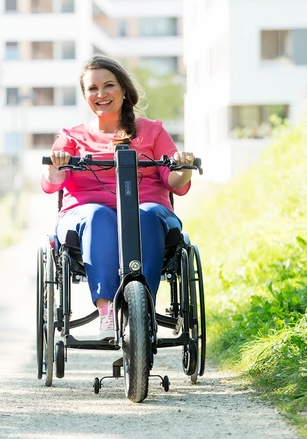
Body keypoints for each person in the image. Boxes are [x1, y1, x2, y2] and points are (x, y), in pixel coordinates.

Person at [42, 55, 196, 340]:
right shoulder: (71, 137)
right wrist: (56, 164)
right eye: (92, 88)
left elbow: (173, 182)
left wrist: (184, 168)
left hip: (148, 212)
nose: (100, 94)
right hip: (86, 219)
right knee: (98, 215)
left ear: (124, 90)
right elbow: (53, 184)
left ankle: (144, 311)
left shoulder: (152, 132)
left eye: (108, 85)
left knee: (145, 214)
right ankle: (106, 312)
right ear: (85, 94)